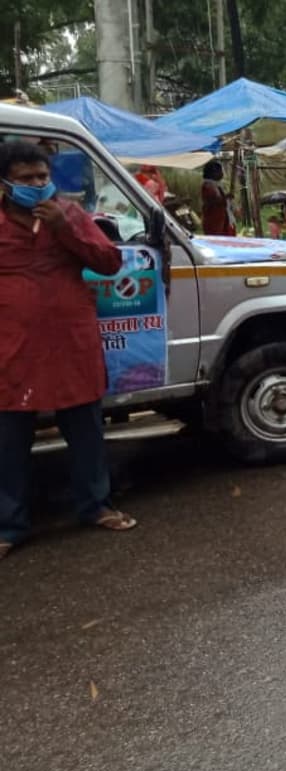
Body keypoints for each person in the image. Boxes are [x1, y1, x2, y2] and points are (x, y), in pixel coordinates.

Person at [0, 141, 138, 562]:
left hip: (69, 344)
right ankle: (9, 525)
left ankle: (95, 506)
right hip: (12, 348)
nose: (37, 185)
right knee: (8, 440)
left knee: (86, 432)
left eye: (42, 177)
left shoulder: (71, 214)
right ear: (5, 184)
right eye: (26, 179)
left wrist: (65, 227)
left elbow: (110, 262)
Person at [200, 160, 235, 236]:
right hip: (215, 223)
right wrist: (225, 198)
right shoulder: (207, 186)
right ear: (213, 173)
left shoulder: (216, 185)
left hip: (222, 221)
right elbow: (211, 202)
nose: (222, 174)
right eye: (219, 171)